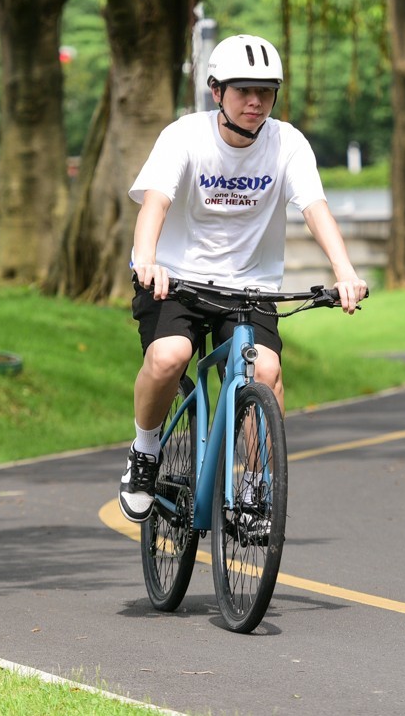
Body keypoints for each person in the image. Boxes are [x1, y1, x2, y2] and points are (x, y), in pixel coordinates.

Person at [118, 33, 368, 523]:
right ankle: (145, 452)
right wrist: (147, 258)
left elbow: (315, 209)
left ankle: (253, 486)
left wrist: (345, 271)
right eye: (243, 91)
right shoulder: (184, 136)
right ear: (216, 92)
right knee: (171, 356)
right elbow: (156, 203)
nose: (256, 102)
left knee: (266, 373)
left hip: (249, 286)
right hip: (177, 280)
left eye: (266, 91)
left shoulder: (287, 143)